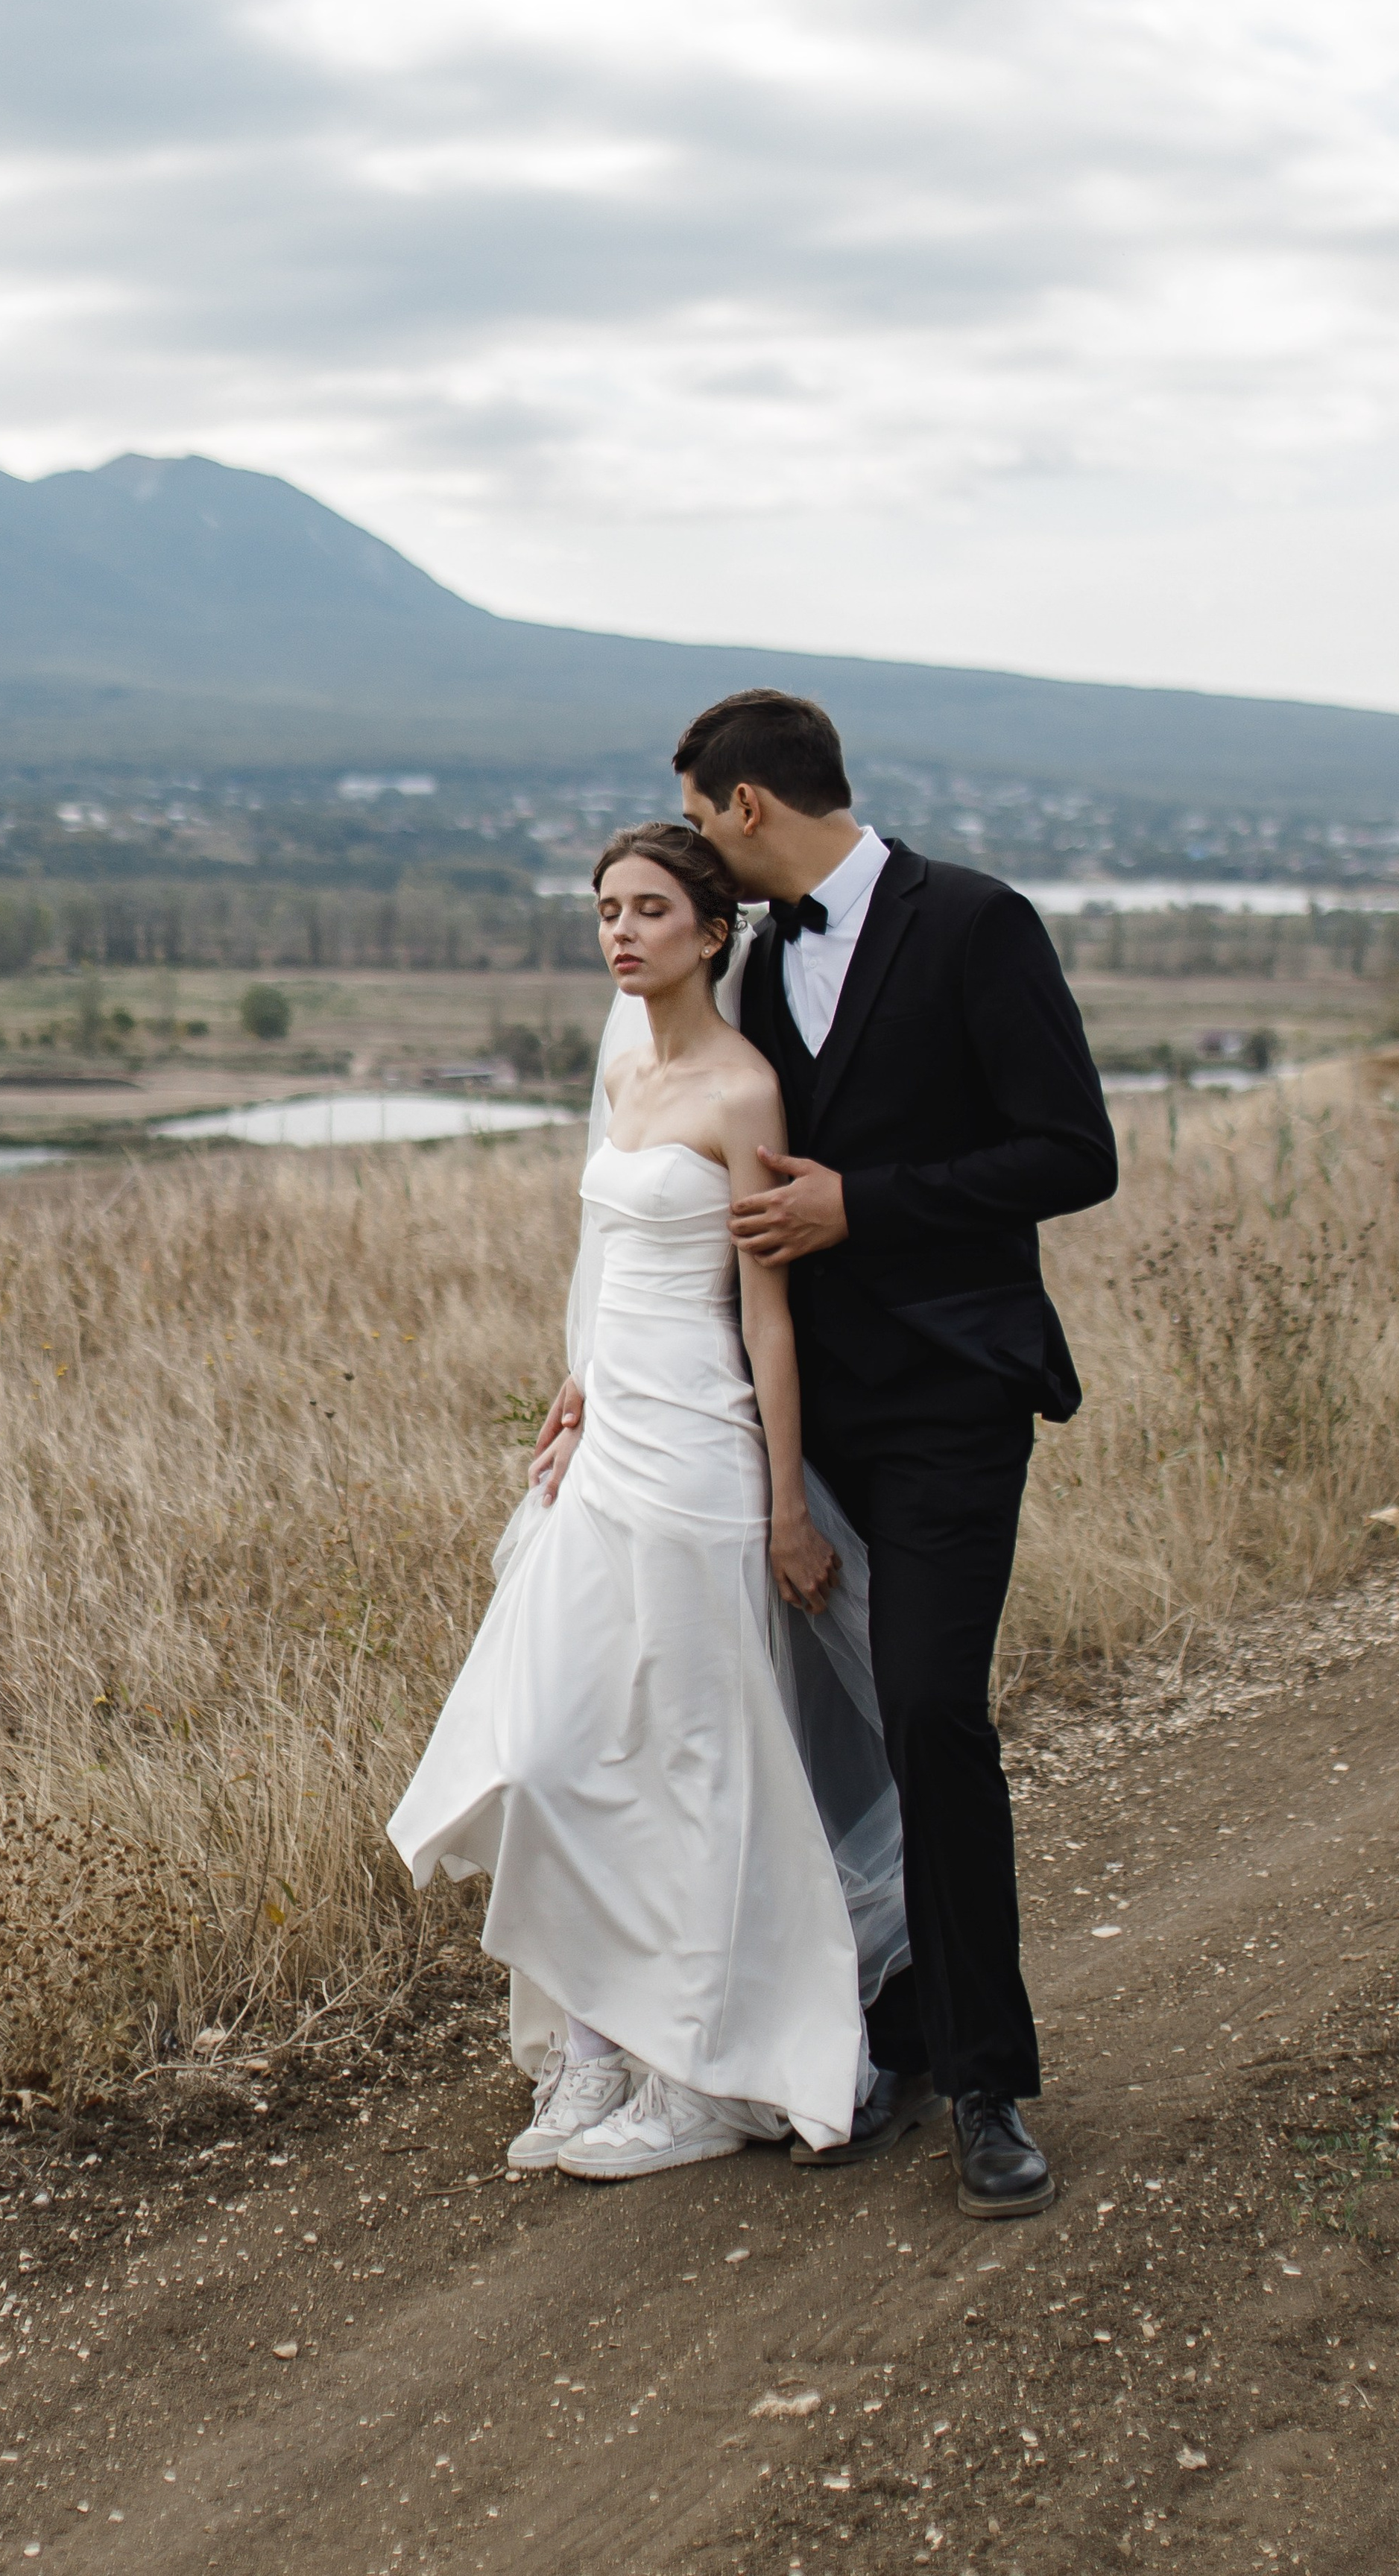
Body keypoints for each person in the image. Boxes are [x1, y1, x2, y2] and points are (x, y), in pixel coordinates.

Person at [676, 687, 1117, 2218]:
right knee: (798, 1736)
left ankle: (986, 2079)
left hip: (945, 1400)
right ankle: (869, 2021)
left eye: (695, 813)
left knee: (931, 1713)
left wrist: (862, 1202)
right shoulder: (744, 964)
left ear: (745, 806)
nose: (695, 846)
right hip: (785, 1417)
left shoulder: (977, 924)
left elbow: (1074, 1152)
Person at [388, 823, 873, 2179]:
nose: (621, 931)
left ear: (712, 932)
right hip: (605, 1461)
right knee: (552, 1750)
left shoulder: (743, 1092)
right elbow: (606, 1263)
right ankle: (590, 2043)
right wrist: (577, 1382)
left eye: (651, 909)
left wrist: (787, 1505)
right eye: (606, 909)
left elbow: (767, 1317)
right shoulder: (624, 1078)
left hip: (705, 1462)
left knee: (694, 1764)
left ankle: (694, 2066)